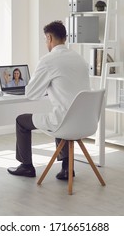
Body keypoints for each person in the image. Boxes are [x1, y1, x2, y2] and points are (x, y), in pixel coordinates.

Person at [7, 20, 91, 180]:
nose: (46, 43)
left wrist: (46, 86)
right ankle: (67, 167)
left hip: (65, 122)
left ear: (49, 38)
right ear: (65, 38)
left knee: (21, 121)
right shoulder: (79, 58)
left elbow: (30, 94)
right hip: (85, 121)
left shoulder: (48, 60)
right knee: (63, 112)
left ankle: (26, 166)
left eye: (46, 39)